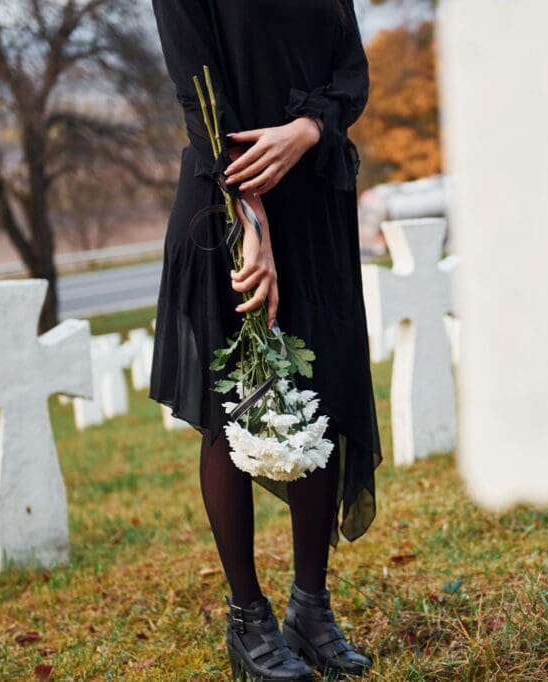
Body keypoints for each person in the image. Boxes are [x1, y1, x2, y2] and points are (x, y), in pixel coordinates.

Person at [149, 1, 382, 679]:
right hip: (229, 205)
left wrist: (308, 129)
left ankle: (310, 610)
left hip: (316, 200)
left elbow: (350, 69)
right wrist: (250, 222)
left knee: (322, 396)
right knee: (240, 407)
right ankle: (248, 623)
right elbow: (203, 99)